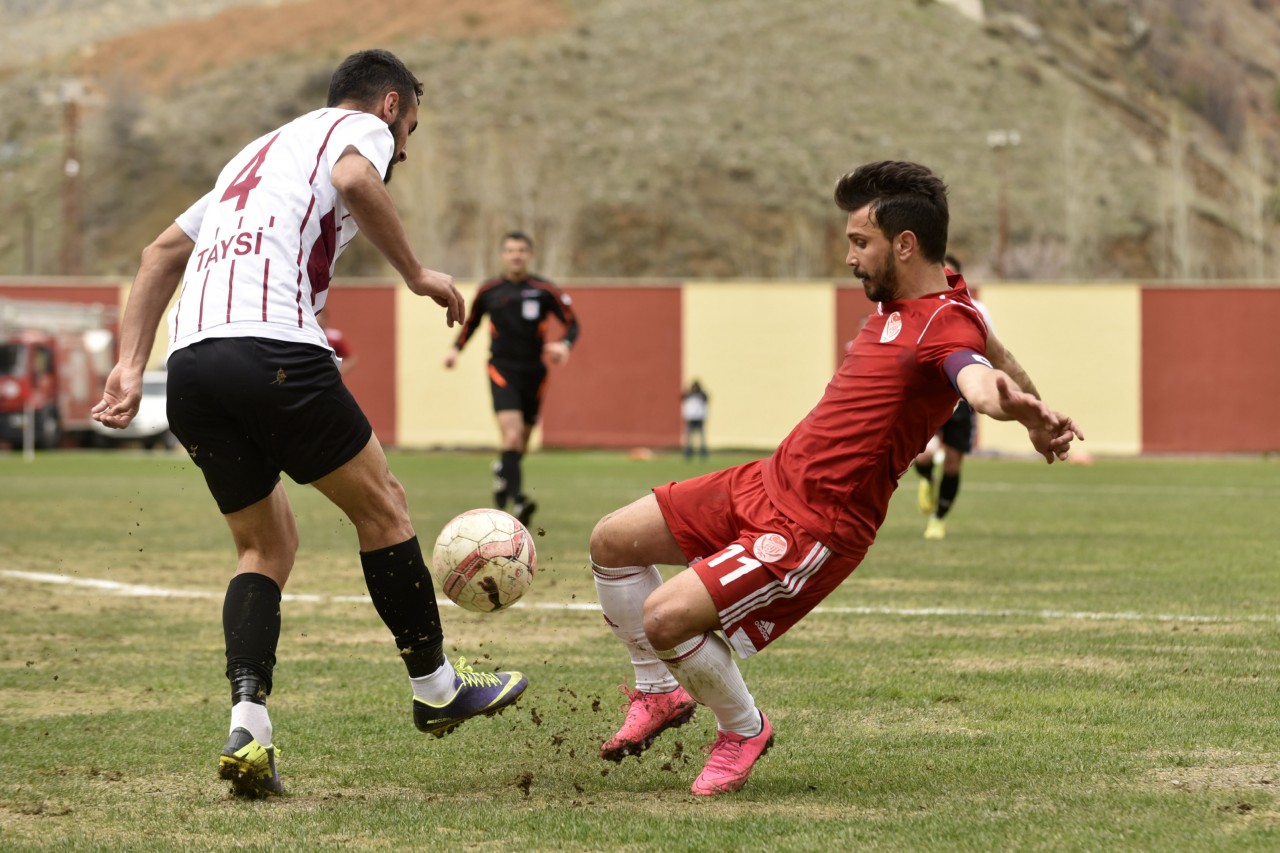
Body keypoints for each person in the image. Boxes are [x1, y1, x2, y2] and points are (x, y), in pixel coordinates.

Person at [90, 49, 527, 799]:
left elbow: (159, 253)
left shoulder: (253, 156)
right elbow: (355, 180)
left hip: (191, 366)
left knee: (264, 546)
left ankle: (248, 726)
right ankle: (436, 687)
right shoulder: (359, 132)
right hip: (272, 349)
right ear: (390, 105)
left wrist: (132, 366)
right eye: (409, 131)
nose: (403, 152)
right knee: (383, 507)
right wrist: (418, 274)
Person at [587, 160, 1082, 797]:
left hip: (814, 525)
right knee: (611, 542)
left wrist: (1003, 404)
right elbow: (999, 351)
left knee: (664, 620)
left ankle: (743, 729)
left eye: (860, 242)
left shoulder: (945, 326)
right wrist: (1039, 417)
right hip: (766, 480)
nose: (849, 257)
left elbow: (977, 374)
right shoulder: (947, 301)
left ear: (905, 245)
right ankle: (659, 693)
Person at [443, 231, 579, 527]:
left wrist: (564, 344)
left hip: (535, 372)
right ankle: (519, 501)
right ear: (502, 255)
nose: (516, 255)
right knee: (512, 436)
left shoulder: (544, 290)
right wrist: (455, 350)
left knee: (521, 445)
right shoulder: (489, 290)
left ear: (529, 255)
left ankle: (502, 471)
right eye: (510, 250)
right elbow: (472, 323)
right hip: (502, 369)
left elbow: (572, 322)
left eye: (521, 250)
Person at [913, 254, 997, 540]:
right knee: (924, 455)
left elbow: (992, 350)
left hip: (962, 399)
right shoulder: (920, 306)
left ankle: (938, 519)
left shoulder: (977, 310)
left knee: (952, 463)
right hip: (930, 398)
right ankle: (926, 480)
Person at [318, 310, 359, 375]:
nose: (317, 319)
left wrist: (336, 373)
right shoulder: (303, 337)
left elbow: (350, 358)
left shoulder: (334, 337)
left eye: (321, 316)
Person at [681, 379, 709, 460]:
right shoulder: (689, 395)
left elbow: (706, 398)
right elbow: (682, 397)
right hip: (691, 418)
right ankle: (688, 452)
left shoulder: (702, 395)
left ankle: (703, 452)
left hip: (699, 417)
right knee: (689, 436)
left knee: (701, 436)